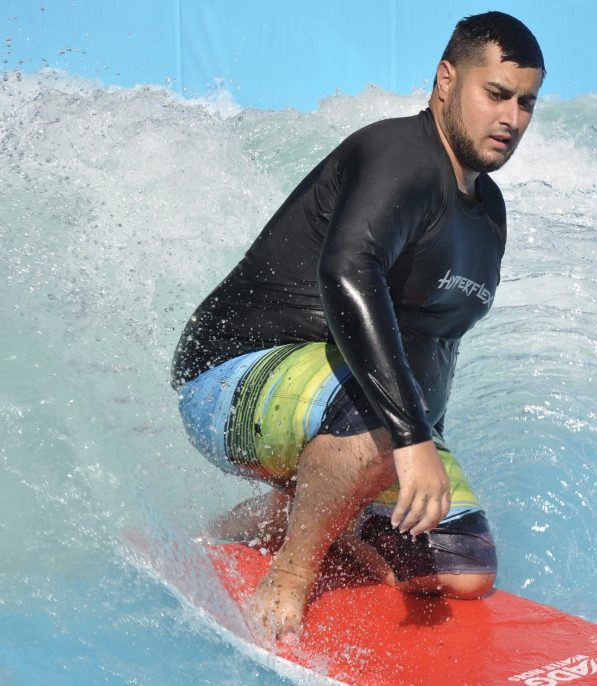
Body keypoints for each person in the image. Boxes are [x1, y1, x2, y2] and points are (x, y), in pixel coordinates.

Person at [170, 11, 545, 643]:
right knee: (384, 416)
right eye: (497, 95)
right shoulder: (399, 154)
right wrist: (410, 439)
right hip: (231, 375)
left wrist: (419, 447)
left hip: (342, 401)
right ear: (447, 80)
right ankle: (289, 576)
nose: (511, 119)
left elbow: (436, 343)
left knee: (462, 566)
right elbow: (347, 273)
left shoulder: (487, 213)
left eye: (527, 104)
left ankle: (284, 514)